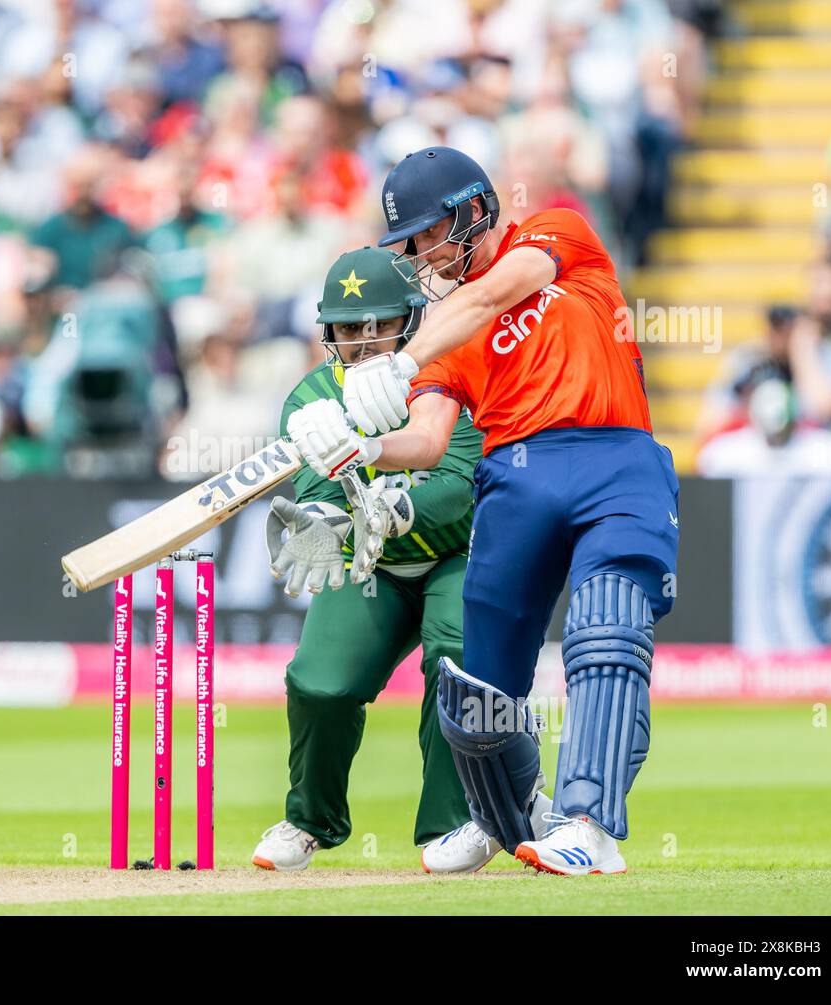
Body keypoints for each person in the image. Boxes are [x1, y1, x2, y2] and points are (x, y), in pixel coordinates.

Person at [289, 147, 679, 876]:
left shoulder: (558, 235)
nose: (415, 254)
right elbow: (429, 439)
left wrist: (396, 364)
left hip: (612, 460)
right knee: (480, 679)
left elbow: (490, 298)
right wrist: (356, 446)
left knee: (607, 630)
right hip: (513, 482)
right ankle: (495, 819)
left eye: (426, 233)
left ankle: (589, 824)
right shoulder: (446, 333)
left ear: (473, 211)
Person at [253, 245, 548, 874]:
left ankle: (455, 823)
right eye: (348, 328)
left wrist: (396, 506)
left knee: (457, 661)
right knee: (319, 682)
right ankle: (310, 820)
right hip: (375, 567)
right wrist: (320, 526)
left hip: (461, 554)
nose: (363, 341)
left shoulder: (452, 366)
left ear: (412, 320)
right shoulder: (310, 398)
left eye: (378, 324)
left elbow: (460, 479)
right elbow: (319, 492)